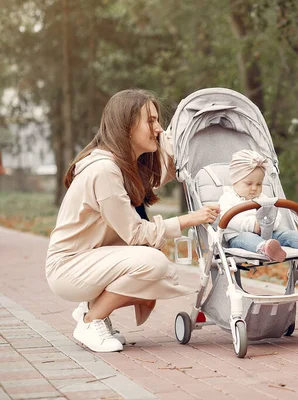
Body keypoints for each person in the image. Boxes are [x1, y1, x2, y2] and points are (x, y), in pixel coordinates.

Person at [45, 89, 220, 353]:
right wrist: (187, 220)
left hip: (93, 260)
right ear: (126, 126)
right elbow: (136, 235)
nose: (158, 128)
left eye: (158, 120)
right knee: (154, 263)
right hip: (69, 267)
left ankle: (94, 309)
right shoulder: (104, 170)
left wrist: (189, 133)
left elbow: (165, 168)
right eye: (150, 121)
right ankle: (91, 320)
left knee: (155, 274)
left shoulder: (127, 167)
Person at [219, 149, 298, 262]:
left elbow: (275, 213)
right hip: (238, 237)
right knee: (247, 237)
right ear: (234, 181)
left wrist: (272, 222)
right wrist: (253, 225)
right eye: (248, 184)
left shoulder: (262, 198)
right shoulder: (228, 198)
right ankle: (264, 248)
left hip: (267, 234)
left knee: (286, 234)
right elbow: (230, 220)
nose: (254, 188)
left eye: (259, 184)